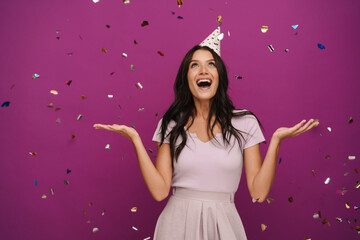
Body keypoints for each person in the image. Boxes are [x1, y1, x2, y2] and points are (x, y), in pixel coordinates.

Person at [93, 45, 319, 239]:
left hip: (224, 224)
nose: (203, 70)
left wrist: (277, 140)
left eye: (211, 64)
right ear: (187, 78)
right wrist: (135, 140)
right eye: (194, 65)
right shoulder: (171, 124)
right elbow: (160, 191)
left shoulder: (245, 122)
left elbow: (258, 193)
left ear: (219, 75)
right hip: (176, 225)